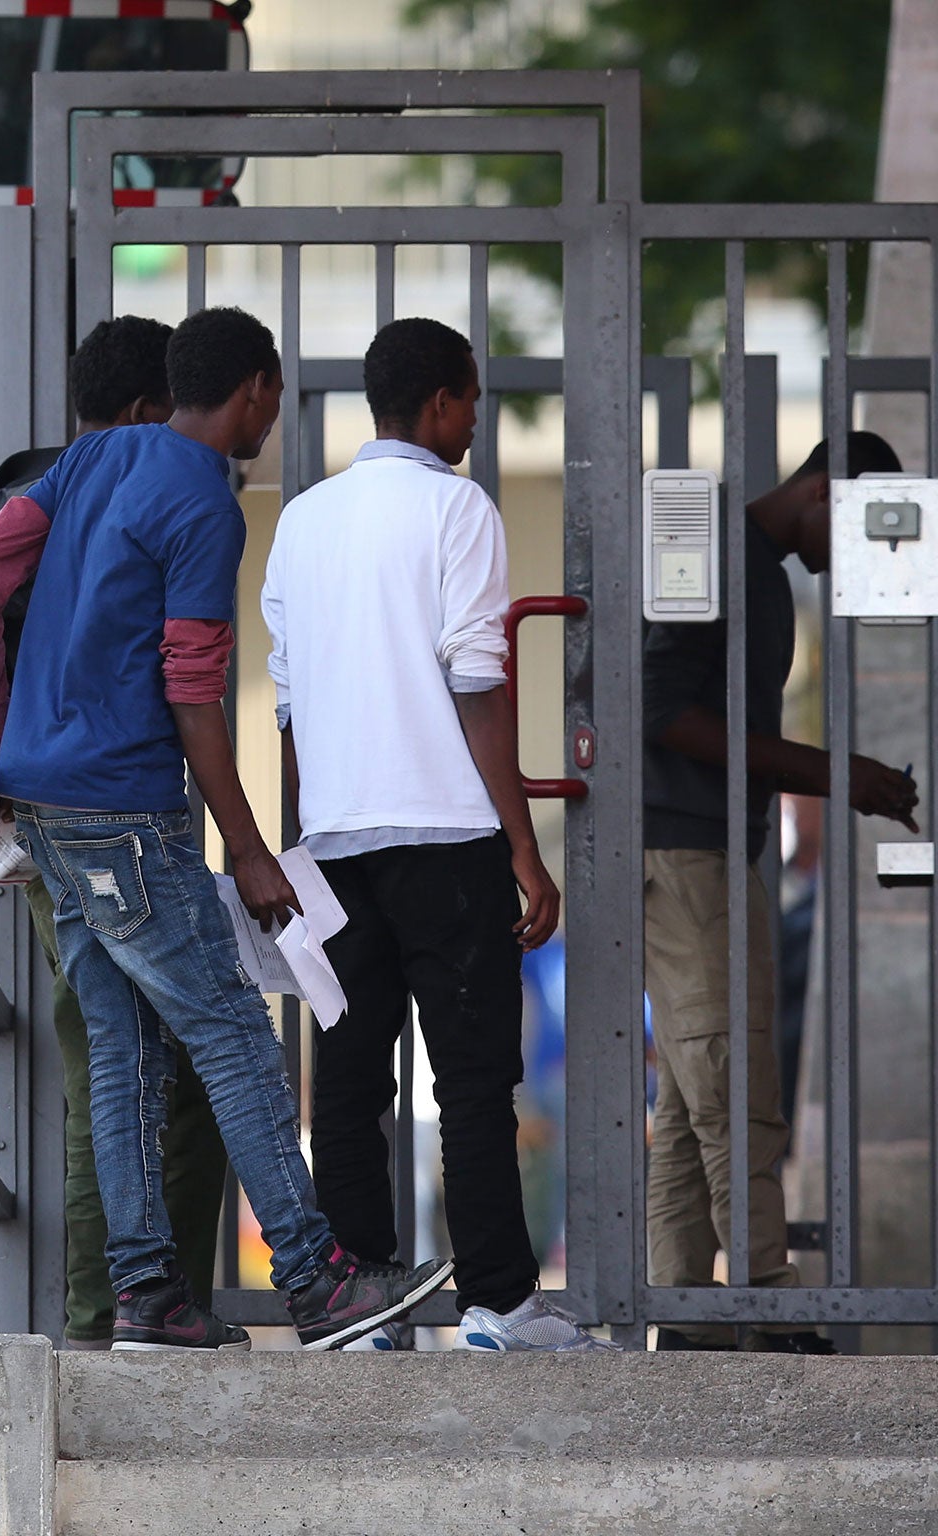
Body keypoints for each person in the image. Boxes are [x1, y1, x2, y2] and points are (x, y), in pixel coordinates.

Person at [0, 305, 449, 1351]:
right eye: (272, 398)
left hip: (45, 812)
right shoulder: (205, 505)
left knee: (126, 1053)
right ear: (257, 389)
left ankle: (146, 1294)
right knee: (231, 1036)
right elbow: (192, 693)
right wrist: (252, 848)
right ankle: (315, 1280)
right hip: (127, 813)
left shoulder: (99, 458)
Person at [263, 317, 610, 1354]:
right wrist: (521, 843)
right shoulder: (457, 509)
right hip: (446, 837)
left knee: (351, 1085)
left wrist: (302, 840)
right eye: (469, 400)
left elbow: (286, 704)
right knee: (469, 1083)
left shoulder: (302, 522)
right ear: (442, 403)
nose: (472, 419)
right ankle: (496, 1303)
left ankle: (369, 1309)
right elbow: (477, 680)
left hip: (335, 840)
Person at [0, 316, 230, 1348]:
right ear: (141, 414)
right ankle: (122, 1309)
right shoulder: (74, 498)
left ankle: (138, 1304)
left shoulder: (68, 495)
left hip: (106, 825)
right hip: (88, 830)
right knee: (136, 1065)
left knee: (142, 1062)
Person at [641, 431, 919, 1353]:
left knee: (692, 1093)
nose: (851, 560)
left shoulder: (751, 563)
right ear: (823, 490)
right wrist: (836, 772)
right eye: (857, 530)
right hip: (684, 848)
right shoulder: (718, 551)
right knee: (732, 1075)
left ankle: (679, 1307)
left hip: (705, 846)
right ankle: (766, 1295)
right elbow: (664, 712)